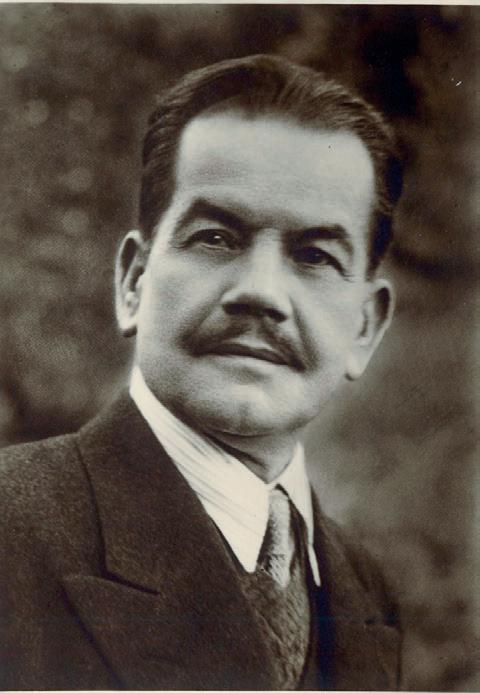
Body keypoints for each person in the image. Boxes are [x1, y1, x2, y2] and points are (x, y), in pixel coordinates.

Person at [0, 54, 404, 690]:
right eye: (216, 237)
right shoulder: (12, 529)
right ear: (134, 282)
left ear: (364, 327)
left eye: (315, 255)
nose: (261, 292)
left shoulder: (366, 591)